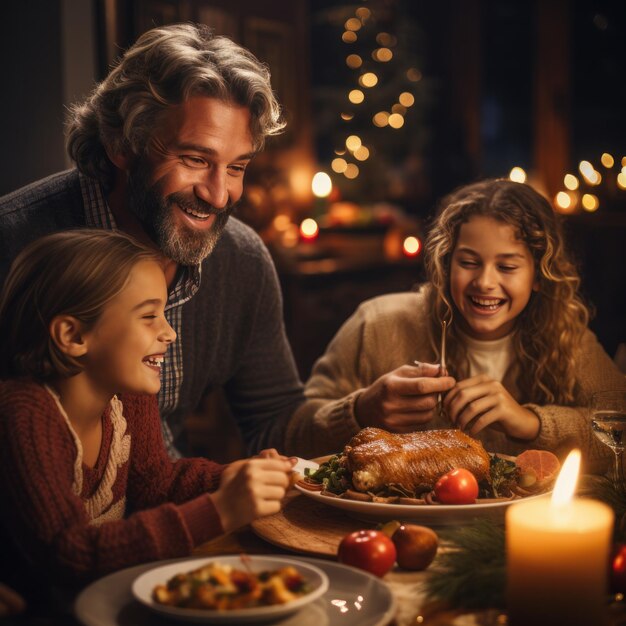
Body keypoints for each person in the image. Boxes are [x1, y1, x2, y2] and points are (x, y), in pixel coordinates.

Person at [0, 23, 304, 458]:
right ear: (122, 144)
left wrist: (364, 410)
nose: (219, 195)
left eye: (236, 167)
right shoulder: (13, 242)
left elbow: (273, 418)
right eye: (195, 159)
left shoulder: (241, 257)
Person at [0, 230, 294, 604]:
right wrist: (220, 509)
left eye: (165, 313)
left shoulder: (125, 395)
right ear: (73, 335)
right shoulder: (24, 414)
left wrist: (231, 478)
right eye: (149, 316)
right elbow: (69, 554)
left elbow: (155, 484)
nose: (168, 332)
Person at [291, 179, 626, 472]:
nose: (485, 282)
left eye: (507, 267)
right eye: (468, 262)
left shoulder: (565, 335)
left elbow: (618, 428)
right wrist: (362, 410)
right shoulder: (378, 324)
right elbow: (294, 436)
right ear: (445, 263)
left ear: (538, 275)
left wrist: (531, 422)